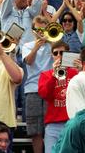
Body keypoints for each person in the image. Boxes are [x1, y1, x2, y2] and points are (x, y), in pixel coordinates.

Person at [38, 41, 79, 153]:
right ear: (52, 56)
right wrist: (53, 76)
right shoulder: (46, 74)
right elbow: (44, 94)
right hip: (53, 124)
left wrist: (81, 71)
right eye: (56, 53)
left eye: (62, 53)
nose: (59, 56)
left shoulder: (76, 73)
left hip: (73, 123)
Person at [22, 15, 53, 153]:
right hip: (32, 89)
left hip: (50, 89)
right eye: (38, 30)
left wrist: (50, 42)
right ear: (33, 30)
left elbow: (61, 58)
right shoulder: (27, 45)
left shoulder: (53, 45)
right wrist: (36, 47)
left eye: (43, 30)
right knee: (35, 130)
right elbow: (28, 61)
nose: (40, 33)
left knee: (50, 127)